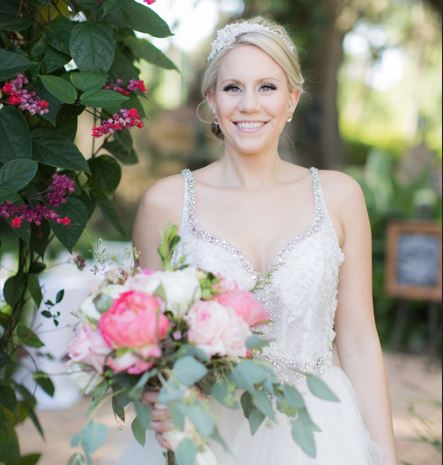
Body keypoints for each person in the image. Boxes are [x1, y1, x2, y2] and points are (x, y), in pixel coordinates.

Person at [128, 15, 398, 465]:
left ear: (292, 99)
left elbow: (357, 340)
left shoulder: (340, 196)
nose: (249, 104)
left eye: (267, 87)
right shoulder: (166, 203)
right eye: (233, 88)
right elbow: (147, 344)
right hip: (204, 432)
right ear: (211, 99)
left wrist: (385, 456)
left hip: (321, 433)